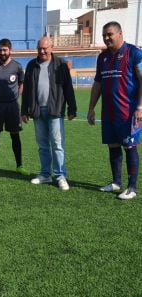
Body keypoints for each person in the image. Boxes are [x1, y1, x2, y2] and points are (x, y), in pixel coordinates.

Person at [87, 21, 142, 200]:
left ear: (120, 34)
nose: (107, 38)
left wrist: (140, 107)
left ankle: (132, 187)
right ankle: (116, 182)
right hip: (109, 112)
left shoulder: (134, 53)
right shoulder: (102, 57)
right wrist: (91, 108)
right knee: (113, 146)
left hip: (129, 113)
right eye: (104, 35)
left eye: (110, 34)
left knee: (130, 146)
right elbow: (98, 83)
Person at [21, 36, 77, 191]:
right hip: (37, 111)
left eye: (45, 48)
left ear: (52, 47)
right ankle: (45, 174)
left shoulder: (61, 65)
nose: (42, 51)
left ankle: (60, 175)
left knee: (58, 145)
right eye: (39, 48)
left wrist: (72, 108)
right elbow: (26, 91)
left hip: (55, 110)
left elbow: (68, 88)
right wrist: (24, 110)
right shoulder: (32, 65)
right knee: (42, 145)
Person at [0, 38, 29, 177]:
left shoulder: (17, 66)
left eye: (5, 50)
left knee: (15, 136)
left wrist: (15, 97)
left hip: (12, 107)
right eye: (0, 50)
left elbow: (22, 84)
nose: (2, 52)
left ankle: (19, 166)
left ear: (10, 50)